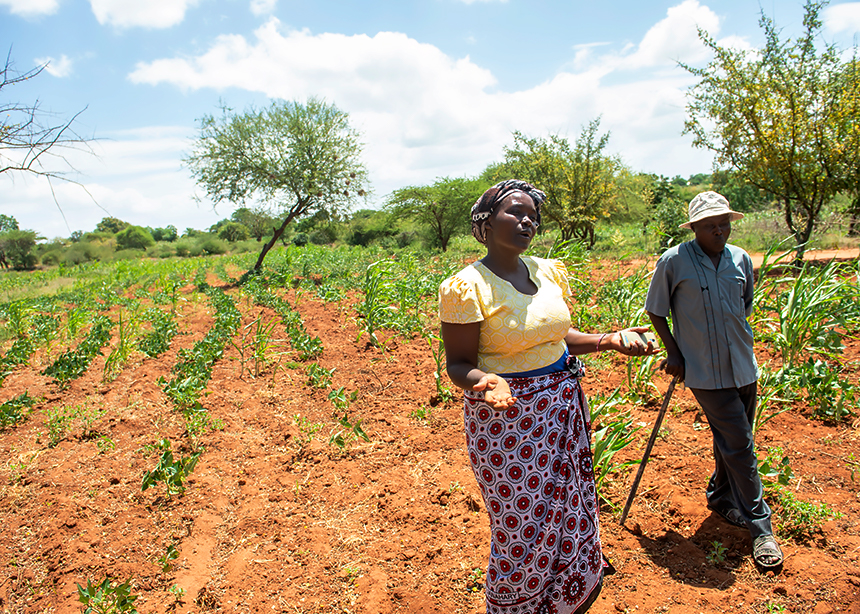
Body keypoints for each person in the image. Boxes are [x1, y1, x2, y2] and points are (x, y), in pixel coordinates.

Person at [439, 179, 655, 614]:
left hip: (560, 407)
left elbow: (556, 338)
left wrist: (608, 339)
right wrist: (491, 381)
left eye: (532, 216)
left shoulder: (545, 271)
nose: (526, 221)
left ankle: (562, 599)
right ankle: (516, 606)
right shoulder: (467, 286)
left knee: (568, 507)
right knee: (520, 525)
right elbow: (459, 365)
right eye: (515, 212)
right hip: (507, 420)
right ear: (486, 219)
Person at [644, 190, 784, 570]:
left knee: (733, 441)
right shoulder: (674, 261)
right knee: (740, 443)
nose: (719, 230)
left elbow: (745, 308)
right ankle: (761, 527)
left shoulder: (740, 258)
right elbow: (656, 311)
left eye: (724, 223)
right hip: (704, 372)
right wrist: (673, 352)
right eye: (710, 225)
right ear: (695, 228)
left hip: (743, 365)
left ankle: (721, 497)